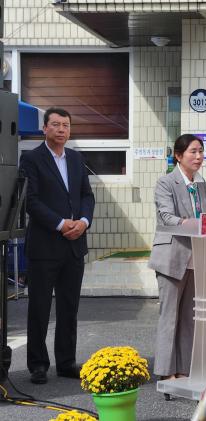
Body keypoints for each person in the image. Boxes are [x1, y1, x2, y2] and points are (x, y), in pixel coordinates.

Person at [20, 108, 95, 384]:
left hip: (74, 245)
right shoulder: (31, 159)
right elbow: (32, 201)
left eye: (66, 125)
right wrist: (61, 224)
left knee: (69, 307)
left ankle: (66, 362)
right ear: (45, 128)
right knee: (39, 308)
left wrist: (84, 221)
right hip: (44, 247)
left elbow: (87, 195)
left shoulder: (76, 159)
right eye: (55, 124)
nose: (61, 129)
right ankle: (38, 364)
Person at [148, 134, 206, 382]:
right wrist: (193, 224)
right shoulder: (166, 182)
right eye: (193, 152)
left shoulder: (201, 184)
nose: (198, 157)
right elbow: (166, 217)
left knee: (189, 317)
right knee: (169, 317)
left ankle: (185, 369)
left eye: (201, 152)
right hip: (172, 256)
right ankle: (166, 372)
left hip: (197, 256)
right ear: (178, 155)